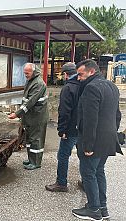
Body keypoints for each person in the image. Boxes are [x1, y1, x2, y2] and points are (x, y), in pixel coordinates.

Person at [72, 59, 123, 221]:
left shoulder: (91, 88)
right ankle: (102, 207)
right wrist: (113, 134)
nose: (78, 78)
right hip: (108, 139)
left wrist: (88, 144)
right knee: (98, 171)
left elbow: (89, 120)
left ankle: (94, 210)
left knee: (88, 173)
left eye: (81, 74)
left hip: (94, 141)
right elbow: (117, 115)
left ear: (91, 72)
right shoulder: (111, 86)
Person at [45, 62, 80, 192]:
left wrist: (62, 130)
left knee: (63, 155)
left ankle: (61, 183)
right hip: (82, 128)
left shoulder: (68, 88)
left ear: (65, 74)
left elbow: (64, 111)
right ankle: (85, 181)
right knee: (83, 155)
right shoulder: (84, 85)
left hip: (70, 129)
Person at [8, 63, 49, 170]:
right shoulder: (31, 80)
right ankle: (31, 159)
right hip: (31, 116)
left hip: (37, 116)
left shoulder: (38, 84)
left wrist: (17, 114)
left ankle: (36, 162)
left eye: (27, 73)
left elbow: (30, 102)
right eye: (24, 73)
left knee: (36, 139)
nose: (25, 75)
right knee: (30, 139)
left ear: (33, 71)